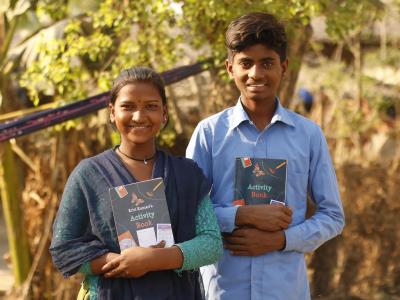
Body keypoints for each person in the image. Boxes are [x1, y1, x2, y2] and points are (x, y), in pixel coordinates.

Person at [186, 12, 345, 300]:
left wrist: (281, 239)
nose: (256, 74)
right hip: (223, 290)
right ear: (229, 68)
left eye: (267, 63)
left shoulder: (308, 135)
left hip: (285, 290)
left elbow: (333, 216)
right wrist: (241, 215)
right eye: (246, 63)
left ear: (283, 67)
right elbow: (187, 211)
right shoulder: (209, 133)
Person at [50, 66, 223, 300]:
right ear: (112, 112)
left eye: (150, 106)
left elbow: (211, 243)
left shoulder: (187, 174)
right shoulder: (89, 174)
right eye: (128, 106)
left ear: (164, 113)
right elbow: (64, 249)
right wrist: (120, 263)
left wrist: (152, 260)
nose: (139, 116)